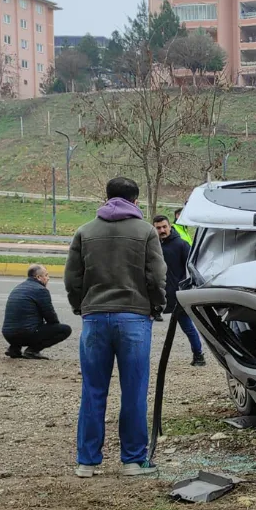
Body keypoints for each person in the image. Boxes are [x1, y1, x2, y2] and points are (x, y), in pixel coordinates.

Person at [65, 177, 167, 478]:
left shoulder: (85, 231)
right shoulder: (146, 231)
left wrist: (81, 306)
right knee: (133, 391)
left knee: (93, 390)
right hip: (134, 319)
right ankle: (133, 461)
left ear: (106, 198)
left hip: (95, 318)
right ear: (135, 201)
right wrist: (156, 306)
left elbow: (72, 279)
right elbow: (157, 277)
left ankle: (87, 462)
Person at [153, 215, 206, 367]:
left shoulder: (181, 245)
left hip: (177, 293)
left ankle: (199, 356)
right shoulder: (153, 246)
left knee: (187, 326)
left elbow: (191, 268)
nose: (162, 230)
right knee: (144, 325)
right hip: (157, 294)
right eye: (158, 228)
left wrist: (183, 287)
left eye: (164, 227)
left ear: (170, 226)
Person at [1, 264, 72, 360]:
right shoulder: (41, 290)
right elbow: (50, 316)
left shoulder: (18, 288)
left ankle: (14, 348)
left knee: (23, 323)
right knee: (65, 329)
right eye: (46, 275)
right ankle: (32, 351)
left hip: (8, 334)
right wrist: (54, 328)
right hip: (26, 334)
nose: (48, 278)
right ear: (38, 277)